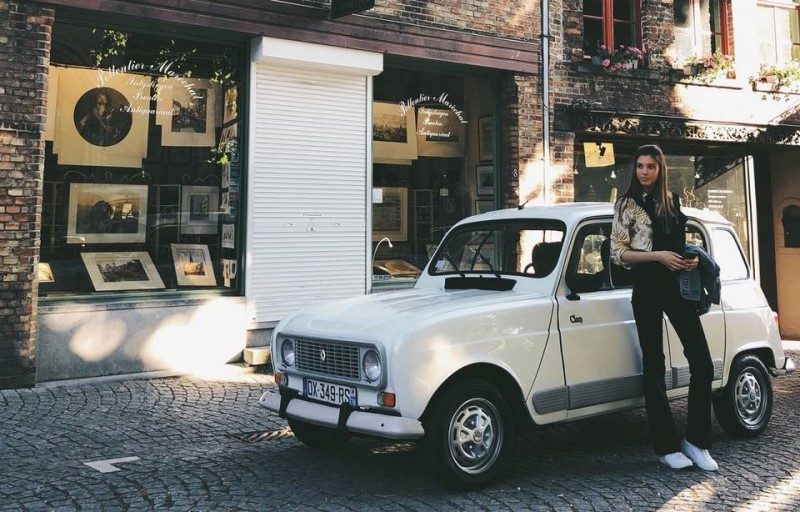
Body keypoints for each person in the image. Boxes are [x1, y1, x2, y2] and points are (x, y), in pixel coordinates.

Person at [610, 144, 718, 471]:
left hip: (677, 290)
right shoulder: (626, 205)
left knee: (702, 362)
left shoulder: (672, 201)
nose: (644, 172)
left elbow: (678, 246)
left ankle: (696, 442)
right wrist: (657, 256)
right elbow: (618, 253)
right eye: (640, 166)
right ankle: (666, 446)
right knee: (654, 366)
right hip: (646, 289)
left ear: (660, 169)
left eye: (650, 167)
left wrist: (691, 259)